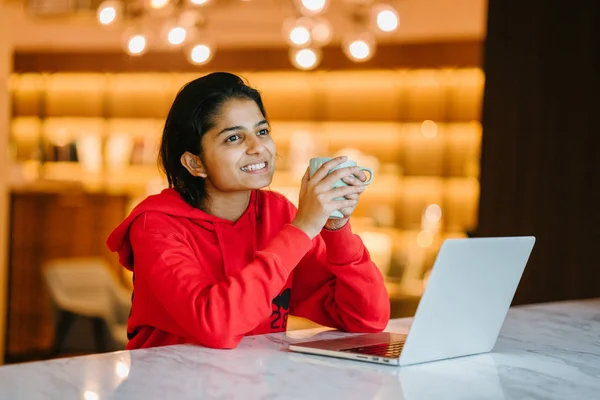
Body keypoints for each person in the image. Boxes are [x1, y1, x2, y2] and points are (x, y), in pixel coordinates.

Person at [106, 72, 390, 350]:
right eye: (233, 138)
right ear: (195, 164)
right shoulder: (155, 226)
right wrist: (302, 229)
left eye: (262, 131)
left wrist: (335, 227)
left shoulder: (278, 214)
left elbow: (366, 318)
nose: (259, 147)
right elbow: (218, 325)